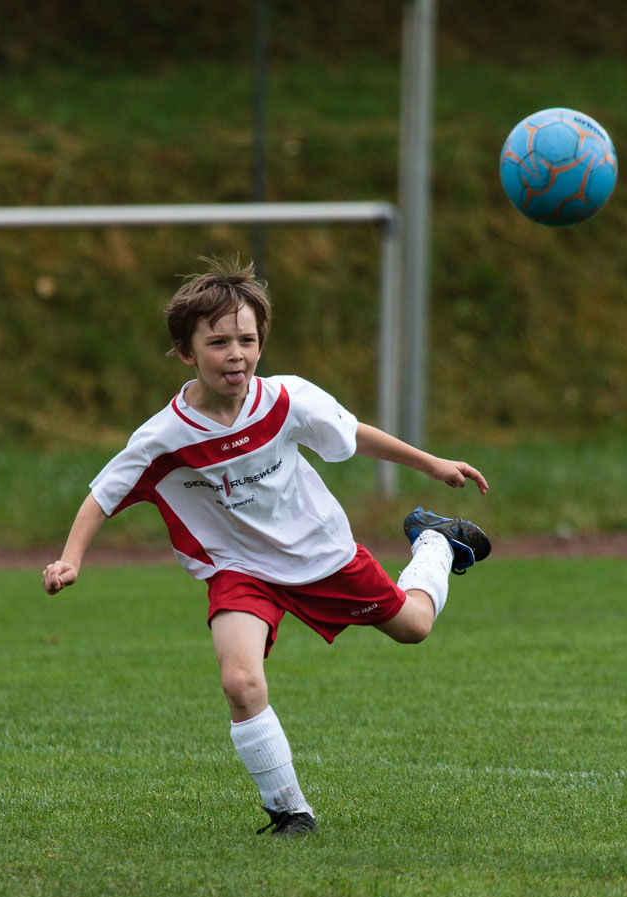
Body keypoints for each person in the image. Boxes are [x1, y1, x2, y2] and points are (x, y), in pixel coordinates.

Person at [42, 257, 491, 837]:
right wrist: (71, 558)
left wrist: (430, 463)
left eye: (247, 340)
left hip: (319, 553)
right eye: (219, 341)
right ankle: (290, 812)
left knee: (413, 627)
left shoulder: (286, 400)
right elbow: (103, 494)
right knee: (241, 682)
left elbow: (351, 435)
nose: (236, 353)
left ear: (262, 344)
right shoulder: (163, 437)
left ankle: (435, 541)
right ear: (186, 352)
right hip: (238, 570)